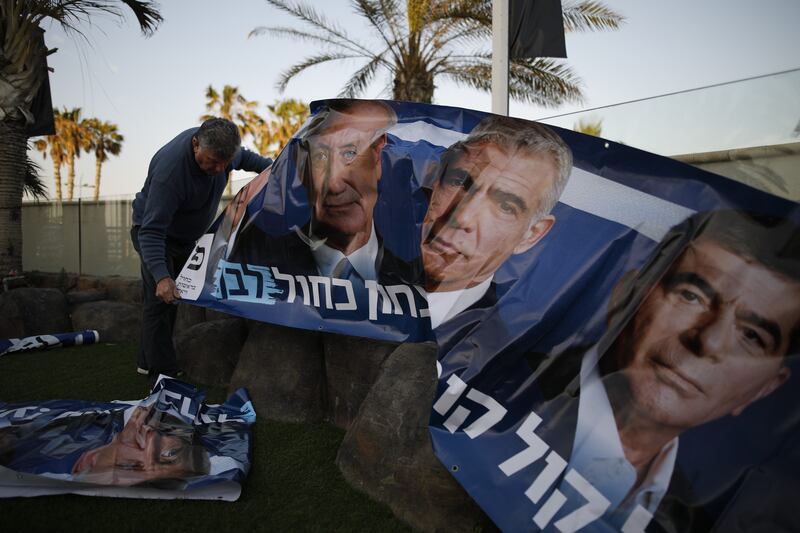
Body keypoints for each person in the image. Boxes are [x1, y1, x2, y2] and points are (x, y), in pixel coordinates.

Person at [523, 210, 800, 532]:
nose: (708, 341)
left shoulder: (693, 522)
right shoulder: (497, 383)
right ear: (626, 296)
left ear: (764, 388)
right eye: (691, 296)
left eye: (752, 336)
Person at [131, 118, 272, 381]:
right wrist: (162, 276)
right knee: (160, 300)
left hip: (185, 239)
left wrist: (282, 171)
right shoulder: (171, 172)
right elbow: (151, 231)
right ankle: (163, 376)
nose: (219, 169)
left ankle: (145, 360)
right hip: (154, 235)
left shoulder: (222, 149)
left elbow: (257, 163)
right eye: (212, 161)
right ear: (196, 144)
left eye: (225, 163)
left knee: (172, 299)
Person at [229, 99, 420, 286]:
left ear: (378, 154)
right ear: (301, 167)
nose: (335, 185)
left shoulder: (419, 274)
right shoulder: (255, 260)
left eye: (350, 153)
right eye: (320, 156)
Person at [421, 115, 573, 329]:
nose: (462, 217)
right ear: (432, 181)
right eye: (458, 181)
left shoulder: (501, 358)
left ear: (531, 235)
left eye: (505, 206)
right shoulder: (360, 269)